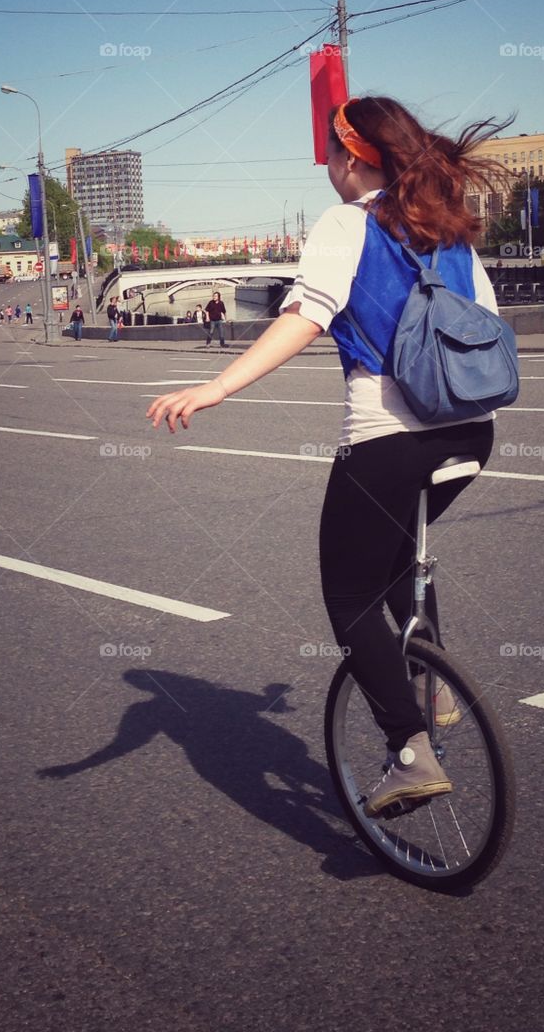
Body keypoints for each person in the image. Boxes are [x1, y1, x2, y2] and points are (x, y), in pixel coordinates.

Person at [148, 96, 503, 818]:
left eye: (329, 158)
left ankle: (409, 750)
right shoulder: (449, 230)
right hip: (472, 433)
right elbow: (489, 325)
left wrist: (217, 384)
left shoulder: (348, 223)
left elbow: (305, 315)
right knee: (397, 564)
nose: (328, 172)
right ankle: (428, 686)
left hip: (389, 440)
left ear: (353, 160)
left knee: (347, 597)